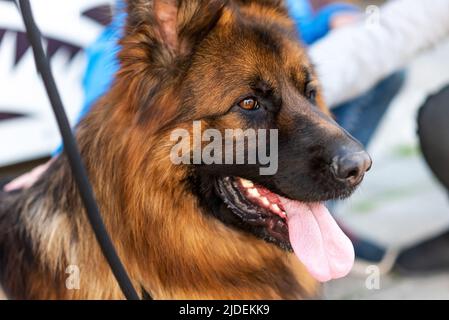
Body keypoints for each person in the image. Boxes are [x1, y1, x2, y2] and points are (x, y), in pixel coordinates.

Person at [3, 0, 449, 269]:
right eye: (250, 106)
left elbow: (282, 30)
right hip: (188, 136)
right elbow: (121, 78)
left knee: (361, 83)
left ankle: (311, 212)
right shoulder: (172, 33)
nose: (358, 157)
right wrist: (70, 161)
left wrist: (334, 18)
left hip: (248, 134)